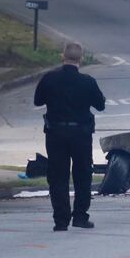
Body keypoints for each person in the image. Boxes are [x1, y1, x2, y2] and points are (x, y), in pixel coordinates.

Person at [34, 42, 106, 231]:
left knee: (58, 175)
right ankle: (80, 216)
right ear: (80, 60)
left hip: (55, 133)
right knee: (82, 175)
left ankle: (61, 220)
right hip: (81, 134)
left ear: (62, 57)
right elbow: (100, 105)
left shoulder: (50, 78)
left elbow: (37, 101)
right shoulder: (88, 81)